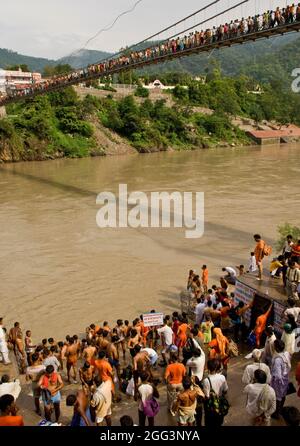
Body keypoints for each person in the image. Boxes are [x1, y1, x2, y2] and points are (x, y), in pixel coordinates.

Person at [202, 358, 228, 427]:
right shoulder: (222, 377)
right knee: (219, 422)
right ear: (218, 367)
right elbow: (225, 390)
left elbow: (207, 396)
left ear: (208, 368)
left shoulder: (206, 380)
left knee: (210, 423)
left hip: (210, 407)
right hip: (220, 404)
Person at [270, 339, 291, 419]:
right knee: (283, 395)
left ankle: (277, 413)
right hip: (285, 378)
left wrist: (273, 380)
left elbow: (277, 375)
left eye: (274, 346)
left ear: (277, 348)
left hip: (279, 381)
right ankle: (281, 409)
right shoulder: (286, 354)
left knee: (278, 397)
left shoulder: (278, 360)